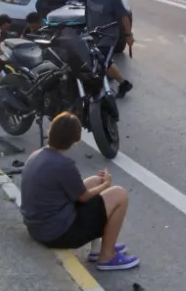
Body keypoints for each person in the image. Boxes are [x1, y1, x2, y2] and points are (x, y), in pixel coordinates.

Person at [20, 112, 138, 271]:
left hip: (37, 228)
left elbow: (77, 191)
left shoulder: (37, 155)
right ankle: (107, 257)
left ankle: (98, 249)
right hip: (56, 234)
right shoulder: (64, 165)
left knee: (95, 181)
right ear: (75, 139)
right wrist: (106, 184)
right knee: (119, 195)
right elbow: (84, 197)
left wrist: (99, 184)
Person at [66, 0, 134, 97]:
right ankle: (124, 83)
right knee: (105, 62)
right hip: (93, 35)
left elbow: (124, 17)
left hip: (108, 36)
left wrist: (128, 35)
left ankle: (99, 93)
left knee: (100, 63)